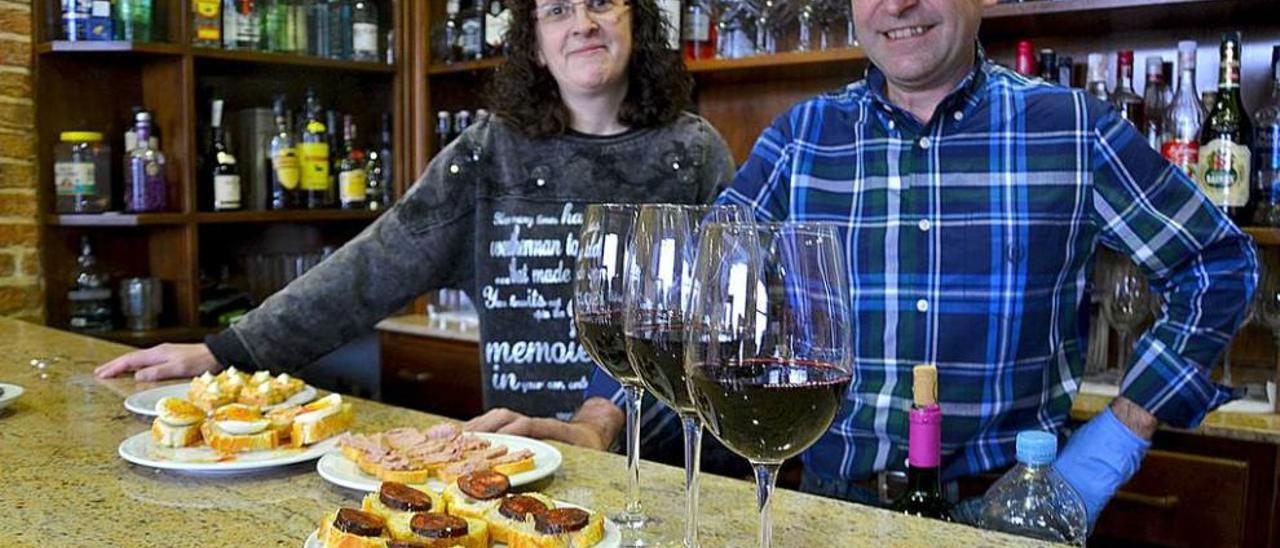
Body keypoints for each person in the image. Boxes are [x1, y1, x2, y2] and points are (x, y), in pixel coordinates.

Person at [489, 0, 1258, 528]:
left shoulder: (1072, 131)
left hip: (1011, 516)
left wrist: (1108, 450)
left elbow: (1219, 266)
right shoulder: (802, 138)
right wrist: (595, 425)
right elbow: (687, 284)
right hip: (829, 509)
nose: (897, 5)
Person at [95, 0, 736, 451]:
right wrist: (225, 352)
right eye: (557, 10)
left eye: (602, 2)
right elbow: (375, 263)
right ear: (534, 45)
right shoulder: (490, 153)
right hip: (527, 455)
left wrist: (611, 425)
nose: (583, 24)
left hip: (671, 463)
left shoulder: (697, 153)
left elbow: (723, 327)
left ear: (638, 21)